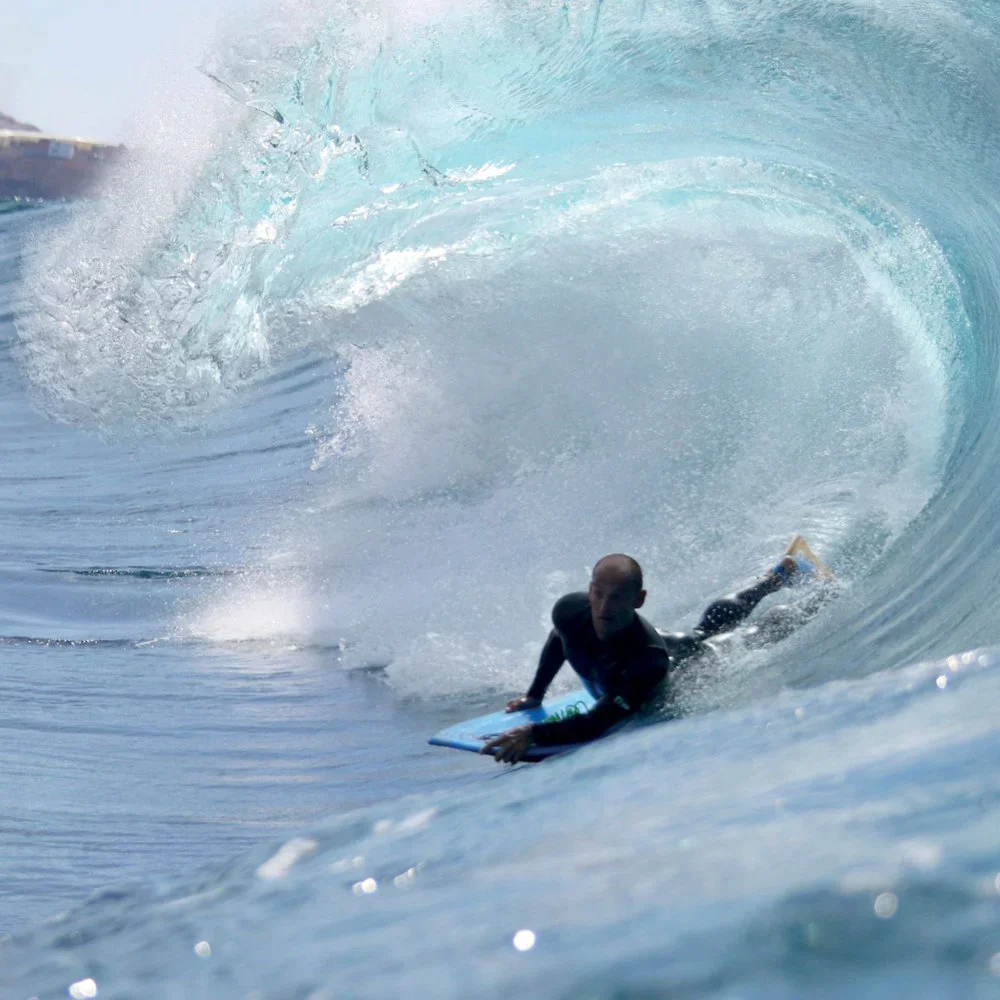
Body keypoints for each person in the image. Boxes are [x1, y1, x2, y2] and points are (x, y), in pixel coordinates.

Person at [480, 551, 820, 763]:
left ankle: (813, 597)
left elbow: (597, 723)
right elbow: (560, 638)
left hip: (677, 657)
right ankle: (776, 577)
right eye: (597, 594)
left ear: (639, 599)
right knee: (703, 628)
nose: (603, 608)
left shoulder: (647, 663)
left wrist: (536, 734)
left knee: (723, 638)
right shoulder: (570, 610)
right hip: (653, 646)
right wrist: (535, 693)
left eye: (617, 598)